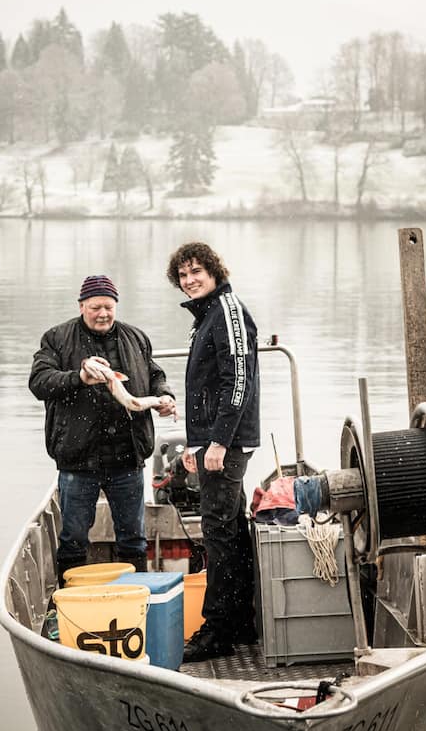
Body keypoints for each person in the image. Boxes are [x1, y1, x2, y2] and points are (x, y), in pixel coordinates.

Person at [29, 274, 176, 585]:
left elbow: (155, 375)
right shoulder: (56, 338)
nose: (102, 313)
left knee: (134, 538)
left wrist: (164, 396)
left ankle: (138, 598)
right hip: (78, 460)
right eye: (95, 306)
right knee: (73, 539)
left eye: (108, 307)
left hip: (127, 459)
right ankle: (67, 600)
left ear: (115, 306)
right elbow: (39, 383)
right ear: (82, 306)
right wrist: (79, 379)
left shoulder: (136, 338)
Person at [165, 242, 260, 662]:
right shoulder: (207, 315)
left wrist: (219, 441)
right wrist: (195, 443)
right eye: (183, 275)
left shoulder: (228, 311)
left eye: (196, 271)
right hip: (213, 441)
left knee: (218, 534)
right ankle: (240, 621)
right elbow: (204, 387)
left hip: (230, 442)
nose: (189, 280)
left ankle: (217, 631)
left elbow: (237, 381)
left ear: (214, 272)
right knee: (232, 531)